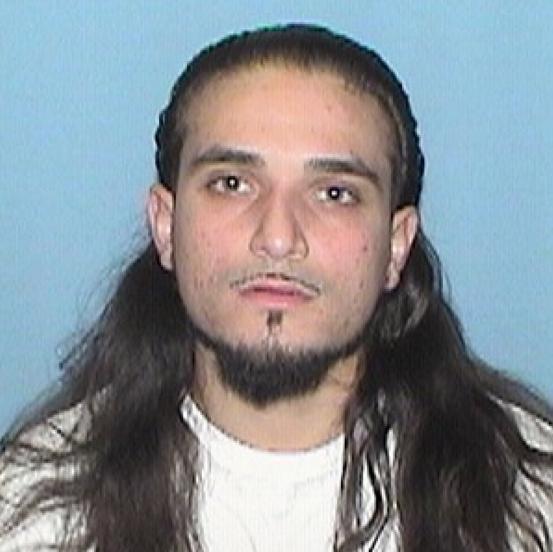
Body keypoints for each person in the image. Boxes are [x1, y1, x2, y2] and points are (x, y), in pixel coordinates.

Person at [1, 23, 552, 552]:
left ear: (396, 245)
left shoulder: (528, 504)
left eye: (334, 193)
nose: (279, 238)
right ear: (166, 228)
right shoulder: (30, 510)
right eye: (232, 184)